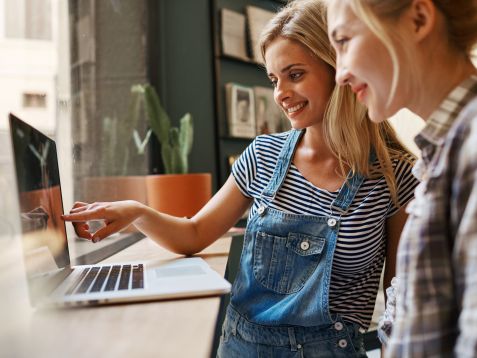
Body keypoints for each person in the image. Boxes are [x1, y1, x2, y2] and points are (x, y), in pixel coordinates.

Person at [63, 0, 417, 356]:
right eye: (274, 79)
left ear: (338, 69)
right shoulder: (263, 156)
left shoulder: (397, 175)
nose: (281, 93)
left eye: (295, 75)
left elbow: (400, 298)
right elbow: (195, 234)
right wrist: (137, 211)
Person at [327, 0, 477, 357]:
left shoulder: (471, 148)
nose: (340, 74)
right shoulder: (444, 151)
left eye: (344, 41)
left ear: (419, 19)